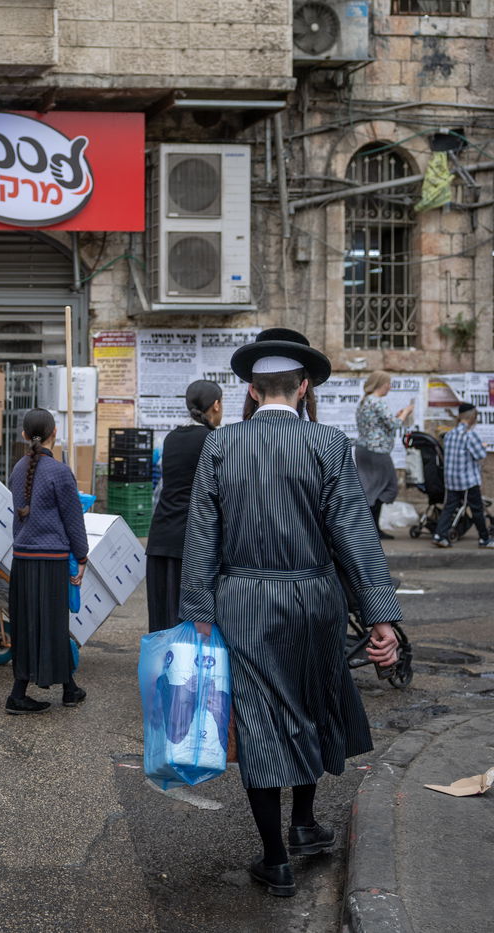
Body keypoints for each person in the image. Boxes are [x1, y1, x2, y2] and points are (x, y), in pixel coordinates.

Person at [180, 331, 401, 898]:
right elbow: (354, 534)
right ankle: (303, 823)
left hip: (246, 603)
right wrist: (379, 616)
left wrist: (199, 613)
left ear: (252, 391)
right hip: (316, 601)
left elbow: (202, 535)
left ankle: (276, 858)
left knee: (258, 720)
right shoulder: (328, 444)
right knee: (310, 705)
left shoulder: (221, 446)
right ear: (303, 388)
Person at [5, 408, 89, 714]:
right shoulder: (60, 472)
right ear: (54, 433)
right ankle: (23, 693)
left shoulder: (17, 468)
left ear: (25, 435)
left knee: (26, 625)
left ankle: (67, 688)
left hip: (23, 559)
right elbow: (73, 519)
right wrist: (82, 556)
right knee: (53, 625)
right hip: (51, 559)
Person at [145, 380, 224, 633]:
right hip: (192, 542)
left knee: (162, 618)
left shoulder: (171, 438)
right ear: (216, 405)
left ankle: (162, 669)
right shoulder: (214, 440)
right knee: (189, 620)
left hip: (160, 536)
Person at [355, 371, 413, 541]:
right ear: (382, 384)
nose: (390, 386)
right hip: (377, 451)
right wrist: (406, 413)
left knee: (371, 489)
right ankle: (372, 529)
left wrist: (397, 416)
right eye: (389, 383)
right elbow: (394, 425)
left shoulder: (365, 401)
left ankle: (370, 529)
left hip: (363, 449)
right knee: (388, 487)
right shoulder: (377, 402)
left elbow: (379, 424)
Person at [432, 401, 491, 549]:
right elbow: (479, 455)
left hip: (452, 479)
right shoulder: (470, 435)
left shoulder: (450, 434)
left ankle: (440, 535)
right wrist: (483, 447)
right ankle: (484, 538)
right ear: (472, 418)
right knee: (477, 508)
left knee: (449, 507)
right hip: (468, 479)